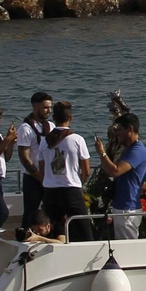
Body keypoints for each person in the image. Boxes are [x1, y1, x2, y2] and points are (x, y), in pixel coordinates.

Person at [42, 100, 91, 242]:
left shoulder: (45, 141)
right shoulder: (77, 139)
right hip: (71, 189)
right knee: (83, 229)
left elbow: (41, 167)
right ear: (70, 118)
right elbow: (86, 170)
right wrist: (80, 183)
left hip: (50, 189)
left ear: (54, 119)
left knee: (55, 229)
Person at [95, 113, 146, 241]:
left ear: (129, 129)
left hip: (128, 208)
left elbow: (115, 171)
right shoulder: (129, 149)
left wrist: (102, 153)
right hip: (122, 205)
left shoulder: (137, 150)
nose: (117, 133)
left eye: (120, 130)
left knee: (128, 247)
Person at [15, 91, 53, 239]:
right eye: (45, 107)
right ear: (35, 106)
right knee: (30, 211)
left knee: (50, 210)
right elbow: (24, 156)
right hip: (32, 177)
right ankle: (24, 236)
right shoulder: (25, 128)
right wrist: (39, 176)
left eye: (50, 107)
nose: (48, 111)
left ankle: (49, 236)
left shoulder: (50, 125)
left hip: (48, 176)